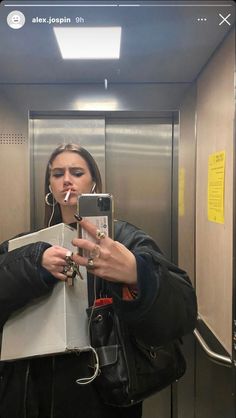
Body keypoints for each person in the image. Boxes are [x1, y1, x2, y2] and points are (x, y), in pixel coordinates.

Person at [0, 143, 197, 418]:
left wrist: (136, 272)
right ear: (49, 186)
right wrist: (35, 263)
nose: (66, 179)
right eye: (58, 174)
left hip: (103, 395)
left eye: (77, 172)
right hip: (33, 396)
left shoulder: (126, 240)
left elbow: (183, 309)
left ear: (93, 182)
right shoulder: (29, 244)